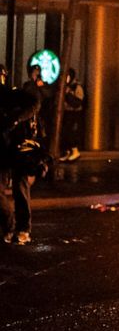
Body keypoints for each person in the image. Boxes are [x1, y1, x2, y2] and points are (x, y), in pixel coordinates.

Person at [1, 84, 44, 245]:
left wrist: (16, 119)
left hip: (18, 148)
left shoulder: (8, 94)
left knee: (20, 188)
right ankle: (10, 227)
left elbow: (34, 103)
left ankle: (22, 228)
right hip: (5, 150)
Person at [60, 68, 85, 162]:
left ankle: (75, 151)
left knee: (70, 132)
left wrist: (68, 94)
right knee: (64, 132)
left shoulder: (77, 87)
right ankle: (67, 152)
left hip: (74, 113)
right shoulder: (64, 87)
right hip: (66, 112)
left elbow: (78, 102)